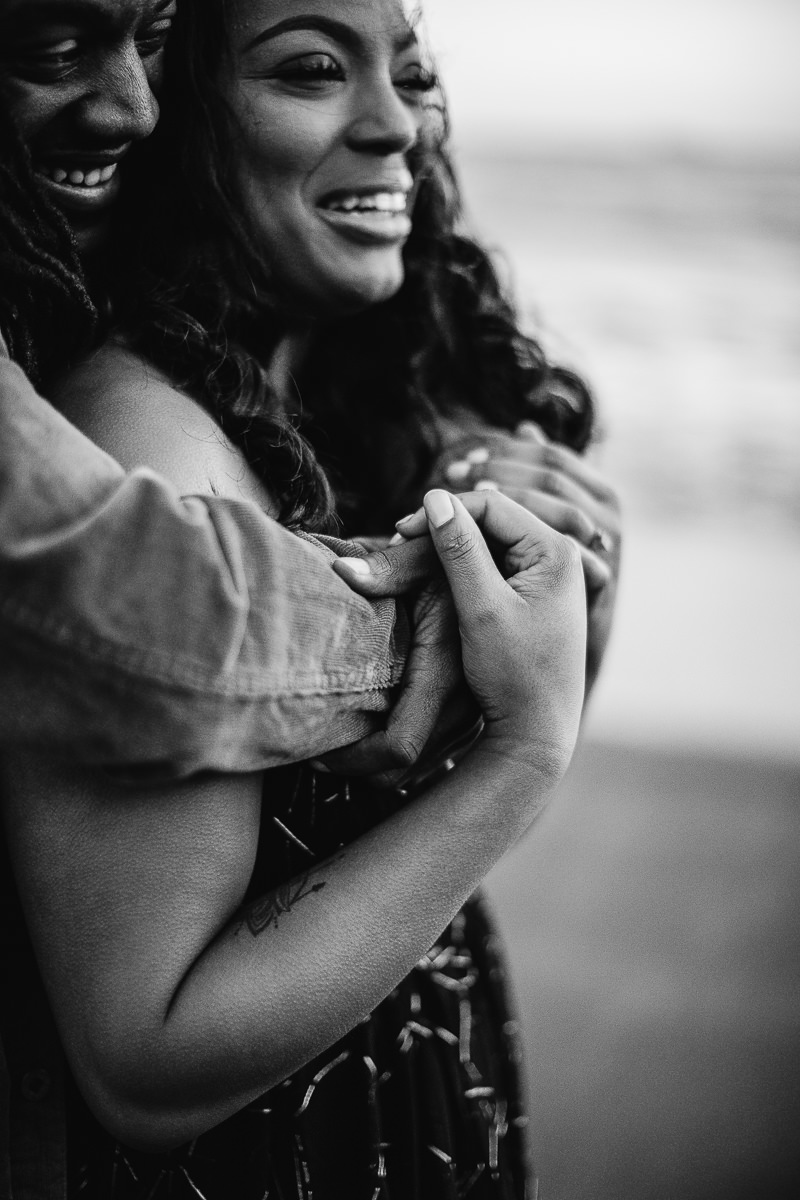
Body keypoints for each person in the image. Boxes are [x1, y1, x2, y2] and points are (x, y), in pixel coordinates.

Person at [0, 1, 620, 1196]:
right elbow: (147, 1059)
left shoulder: (356, 394)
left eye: (413, 71)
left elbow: (411, 839)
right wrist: (523, 753)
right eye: (312, 69)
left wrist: (571, 592)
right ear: (184, 124)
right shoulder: (151, 452)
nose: (394, 123)